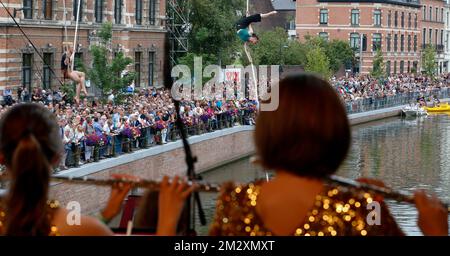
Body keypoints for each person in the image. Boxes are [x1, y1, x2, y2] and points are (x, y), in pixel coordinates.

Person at [209, 74, 403, 236]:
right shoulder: (360, 207)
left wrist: (176, 218)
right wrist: (377, 205)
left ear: (266, 134)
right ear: (338, 135)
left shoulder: (235, 202)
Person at [0, 103, 193, 236]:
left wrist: (108, 213)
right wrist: (168, 220)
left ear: (1, 156)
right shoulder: (77, 227)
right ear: (58, 155)